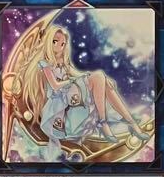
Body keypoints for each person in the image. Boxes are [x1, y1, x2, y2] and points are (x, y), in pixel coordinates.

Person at [16, 24, 148, 156]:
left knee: (103, 81)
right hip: (60, 107)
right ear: (48, 42)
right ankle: (104, 123)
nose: (59, 46)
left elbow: (79, 75)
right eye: (55, 42)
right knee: (98, 77)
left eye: (62, 44)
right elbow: (55, 86)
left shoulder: (63, 62)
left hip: (70, 97)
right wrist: (74, 81)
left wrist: (102, 80)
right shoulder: (44, 63)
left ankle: (131, 124)